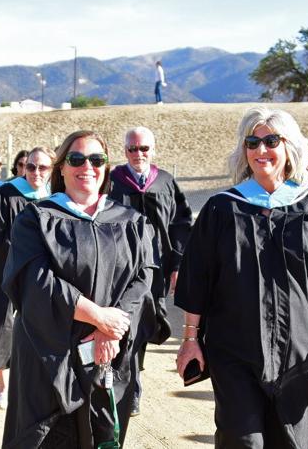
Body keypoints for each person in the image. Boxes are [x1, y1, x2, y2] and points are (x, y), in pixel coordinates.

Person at [175, 108, 308, 447]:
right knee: (241, 440)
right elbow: (197, 280)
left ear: (289, 146)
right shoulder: (222, 209)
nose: (261, 150)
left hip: (304, 351)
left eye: (271, 141)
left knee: (296, 442)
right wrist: (190, 339)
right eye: (253, 142)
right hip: (235, 348)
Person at [2, 130, 154, 447]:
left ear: (107, 167)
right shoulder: (37, 218)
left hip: (107, 350)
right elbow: (35, 279)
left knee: (101, 433)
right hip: (48, 353)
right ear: (61, 168)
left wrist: (111, 329)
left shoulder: (130, 221)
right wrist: (97, 316)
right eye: (77, 159)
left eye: (97, 159)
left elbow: (144, 277)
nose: (87, 166)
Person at [107, 126, 193, 416]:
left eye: (144, 148)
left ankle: (133, 379)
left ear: (152, 149)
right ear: (124, 151)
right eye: (132, 148)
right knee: (120, 321)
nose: (138, 154)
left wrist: (178, 264)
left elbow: (181, 224)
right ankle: (120, 381)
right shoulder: (112, 181)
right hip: (119, 269)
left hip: (156, 268)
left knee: (145, 323)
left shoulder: (165, 182)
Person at [0, 146, 53, 411]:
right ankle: (3, 386)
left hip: (44, 278)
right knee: (4, 329)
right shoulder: (4, 194)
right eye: (31, 167)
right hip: (7, 274)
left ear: (52, 170)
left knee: (38, 331)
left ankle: (31, 385)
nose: (36, 173)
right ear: (22, 167)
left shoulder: (57, 199)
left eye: (43, 167)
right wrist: (24, 250)